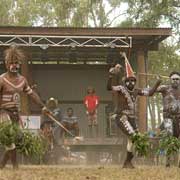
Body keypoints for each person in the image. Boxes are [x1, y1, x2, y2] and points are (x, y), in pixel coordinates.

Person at [107, 55, 161, 168]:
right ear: (125, 82)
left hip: (132, 119)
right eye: (128, 81)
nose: (131, 83)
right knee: (134, 137)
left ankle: (127, 162)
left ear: (135, 82)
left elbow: (150, 93)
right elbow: (109, 87)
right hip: (122, 117)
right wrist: (111, 75)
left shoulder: (137, 91)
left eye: (133, 81)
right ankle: (127, 162)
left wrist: (158, 82)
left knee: (133, 140)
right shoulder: (121, 89)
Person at [0, 46, 48, 169]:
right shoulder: (2, 80)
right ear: (6, 64)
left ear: (19, 64)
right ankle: (15, 167)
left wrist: (43, 106)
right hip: (3, 113)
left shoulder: (22, 80)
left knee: (17, 140)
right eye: (11, 63)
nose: (14, 65)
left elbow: (31, 94)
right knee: (9, 138)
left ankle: (2, 165)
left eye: (16, 63)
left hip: (16, 113)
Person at [155, 71, 180, 167]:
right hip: (168, 117)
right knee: (169, 137)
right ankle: (168, 162)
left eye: (177, 79)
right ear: (170, 80)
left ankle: (179, 162)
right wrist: (158, 81)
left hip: (179, 117)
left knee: (178, 139)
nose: (175, 81)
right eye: (173, 79)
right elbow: (152, 90)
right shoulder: (165, 88)